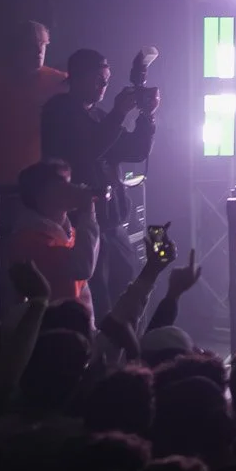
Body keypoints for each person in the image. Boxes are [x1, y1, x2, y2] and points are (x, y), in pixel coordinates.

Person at [41, 48, 157, 304]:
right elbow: (87, 151)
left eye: (106, 80)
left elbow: (134, 150)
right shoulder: (58, 112)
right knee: (98, 297)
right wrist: (118, 114)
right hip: (81, 223)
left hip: (112, 222)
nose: (104, 85)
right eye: (98, 80)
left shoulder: (98, 115)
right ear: (78, 77)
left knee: (127, 292)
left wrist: (147, 116)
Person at [0, 20, 65, 186]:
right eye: (31, 45)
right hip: (4, 179)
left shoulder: (59, 82)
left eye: (43, 44)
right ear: (15, 48)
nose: (38, 50)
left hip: (47, 182)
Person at [4, 159, 102, 310]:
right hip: (50, 327)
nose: (72, 188)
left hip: (78, 326)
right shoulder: (29, 240)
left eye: (69, 182)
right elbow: (82, 268)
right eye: (62, 184)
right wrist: (88, 212)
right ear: (40, 194)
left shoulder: (68, 233)